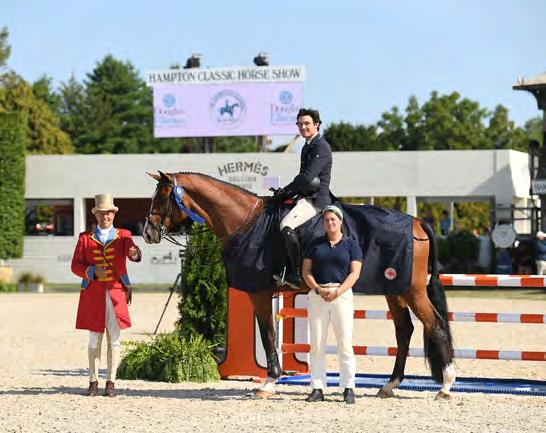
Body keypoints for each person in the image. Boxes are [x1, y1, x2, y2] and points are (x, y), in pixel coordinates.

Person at [71, 193, 142, 397]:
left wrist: (134, 253)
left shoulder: (124, 235)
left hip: (116, 293)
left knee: (115, 338)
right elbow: (75, 265)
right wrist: (91, 271)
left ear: (114, 214)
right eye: (102, 213)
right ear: (96, 215)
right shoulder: (85, 238)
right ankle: (93, 381)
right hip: (93, 294)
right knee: (94, 339)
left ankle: (111, 381)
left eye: (109, 212)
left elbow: (133, 252)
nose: (106, 216)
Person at [301, 205, 362, 404]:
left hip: (341, 295)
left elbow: (355, 273)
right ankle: (317, 387)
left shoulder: (351, 245)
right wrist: (318, 289)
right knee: (317, 344)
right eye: (326, 220)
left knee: (345, 343)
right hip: (318, 295)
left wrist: (338, 291)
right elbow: (306, 271)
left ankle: (348, 387)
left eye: (333, 219)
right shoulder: (315, 244)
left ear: (340, 221)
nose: (330, 223)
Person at [272, 108, 333, 286]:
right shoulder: (307, 145)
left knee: (286, 225)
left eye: (307, 123)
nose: (303, 127)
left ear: (317, 125)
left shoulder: (321, 146)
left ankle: (294, 272)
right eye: (300, 124)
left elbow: (306, 177)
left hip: (315, 199)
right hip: (304, 195)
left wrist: (286, 192)